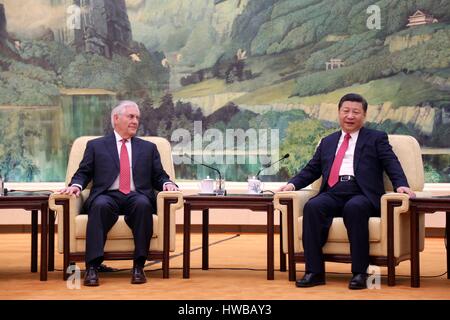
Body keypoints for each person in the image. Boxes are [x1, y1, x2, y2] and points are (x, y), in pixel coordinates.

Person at [278, 93, 415, 290]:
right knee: (313, 207)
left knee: (355, 208)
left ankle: (360, 273)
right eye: (346, 111)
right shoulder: (327, 141)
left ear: (364, 115)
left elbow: (391, 162)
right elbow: (311, 169)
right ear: (339, 113)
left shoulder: (376, 138)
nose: (350, 116)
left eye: (356, 112)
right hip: (333, 191)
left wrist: (401, 184)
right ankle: (314, 272)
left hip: (362, 193)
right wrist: (292, 185)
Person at [59, 101, 179, 286]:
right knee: (99, 206)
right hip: (107, 195)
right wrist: (75, 185)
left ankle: (138, 266)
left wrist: (168, 183)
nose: (135, 121)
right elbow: (84, 172)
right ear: (116, 118)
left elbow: (159, 176)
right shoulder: (96, 146)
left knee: (143, 205)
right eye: (131, 116)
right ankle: (92, 268)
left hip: (136, 195)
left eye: (137, 117)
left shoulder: (148, 148)